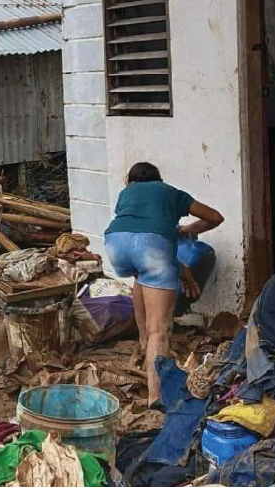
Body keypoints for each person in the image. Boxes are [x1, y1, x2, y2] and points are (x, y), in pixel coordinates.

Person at [104, 162, 223, 409]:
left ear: (129, 181)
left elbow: (139, 242)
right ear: (159, 179)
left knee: (142, 274)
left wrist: (180, 268)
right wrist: (189, 229)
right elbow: (214, 217)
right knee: (160, 330)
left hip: (115, 244)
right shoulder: (170, 192)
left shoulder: (126, 193)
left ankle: (143, 343)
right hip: (152, 249)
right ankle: (156, 397)